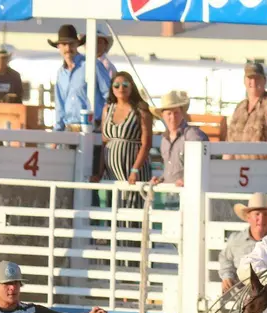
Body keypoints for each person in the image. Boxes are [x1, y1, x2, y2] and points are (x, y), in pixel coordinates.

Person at [92, 71, 153, 209]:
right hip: (112, 173)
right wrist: (100, 172)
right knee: (113, 209)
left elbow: (146, 144)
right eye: (117, 85)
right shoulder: (107, 109)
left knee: (133, 209)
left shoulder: (141, 110)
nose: (121, 88)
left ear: (132, 87)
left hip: (133, 170)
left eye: (125, 84)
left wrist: (135, 170)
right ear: (112, 88)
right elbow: (104, 143)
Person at [51, 24, 110, 132]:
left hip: (92, 128)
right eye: (64, 44)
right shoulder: (61, 73)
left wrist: (104, 123)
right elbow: (60, 106)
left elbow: (109, 95)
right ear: (58, 47)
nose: (68, 48)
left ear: (77, 44)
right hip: (69, 129)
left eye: (71, 44)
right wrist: (57, 132)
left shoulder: (92, 65)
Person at [227, 62, 267, 160]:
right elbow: (229, 145)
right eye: (250, 78)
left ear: (264, 80)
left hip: (263, 170)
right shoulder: (240, 107)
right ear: (244, 81)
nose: (253, 82)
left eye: (257, 78)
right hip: (238, 170)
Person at [219, 192, 267, 294]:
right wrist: (227, 276)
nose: (261, 218)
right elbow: (225, 258)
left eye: (265, 214)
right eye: (257, 214)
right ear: (248, 217)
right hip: (243, 299)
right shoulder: (236, 240)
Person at [150, 90, 208, 188]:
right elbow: (170, 170)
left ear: (182, 114)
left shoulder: (192, 135)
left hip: (189, 193)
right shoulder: (164, 139)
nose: (173, 117)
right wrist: (160, 179)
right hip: (170, 195)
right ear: (162, 116)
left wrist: (186, 180)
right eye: (169, 113)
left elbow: (203, 165)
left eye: (176, 113)